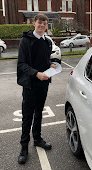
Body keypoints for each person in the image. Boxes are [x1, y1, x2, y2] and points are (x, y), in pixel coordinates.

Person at [17, 14, 57, 165]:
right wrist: (36, 74)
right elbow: (21, 64)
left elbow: (44, 60)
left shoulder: (47, 42)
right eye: (39, 23)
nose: (42, 25)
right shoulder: (25, 41)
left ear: (47, 26)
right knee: (27, 117)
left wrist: (51, 65)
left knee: (39, 112)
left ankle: (38, 139)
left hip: (43, 84)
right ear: (34, 23)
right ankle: (24, 147)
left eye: (44, 23)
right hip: (30, 85)